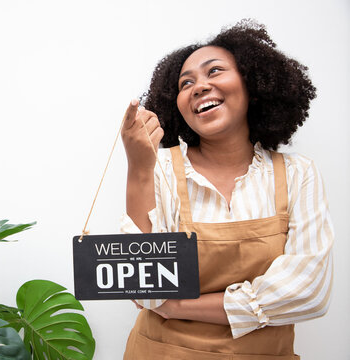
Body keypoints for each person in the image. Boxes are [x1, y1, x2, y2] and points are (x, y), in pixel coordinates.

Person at [120, 19, 333, 359]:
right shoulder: (159, 169)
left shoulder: (297, 173)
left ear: (252, 83)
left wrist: (177, 307)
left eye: (214, 71)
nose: (198, 87)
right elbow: (141, 289)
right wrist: (139, 169)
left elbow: (308, 291)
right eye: (185, 83)